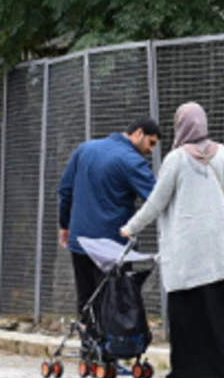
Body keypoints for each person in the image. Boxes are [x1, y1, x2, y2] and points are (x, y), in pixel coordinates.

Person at [120, 102, 224, 378]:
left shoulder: (176, 159)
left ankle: (193, 370)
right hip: (221, 250)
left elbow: (157, 202)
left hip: (189, 251)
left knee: (188, 314)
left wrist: (130, 227)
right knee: (223, 312)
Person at [58, 117, 160, 323]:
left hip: (80, 241)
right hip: (112, 247)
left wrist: (64, 226)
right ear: (139, 133)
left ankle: (89, 349)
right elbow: (157, 199)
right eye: (151, 143)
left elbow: (65, 191)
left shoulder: (85, 149)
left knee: (86, 299)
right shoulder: (132, 161)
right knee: (112, 302)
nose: (151, 151)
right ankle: (108, 352)